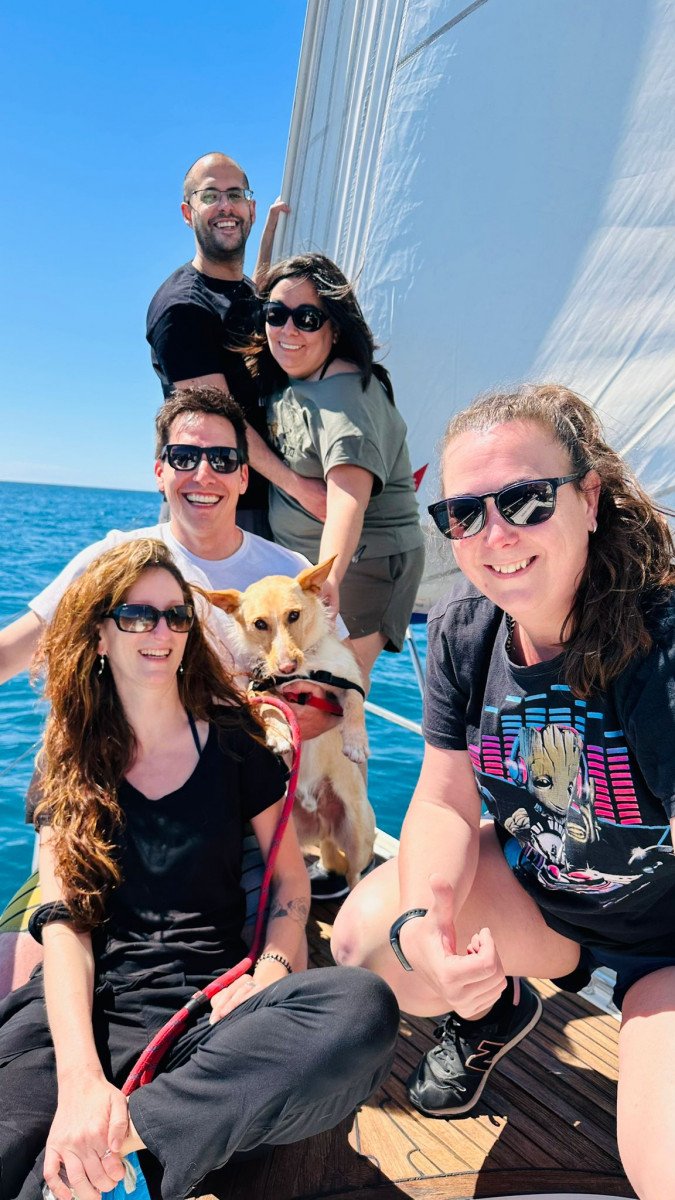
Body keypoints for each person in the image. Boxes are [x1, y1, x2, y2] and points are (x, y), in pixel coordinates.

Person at [330, 383, 675, 1200]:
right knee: (370, 943)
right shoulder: (466, 628)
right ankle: (492, 1007)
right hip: (545, 903)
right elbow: (443, 800)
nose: (495, 535)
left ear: (588, 498)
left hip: (662, 944)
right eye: (464, 513)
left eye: (524, 500)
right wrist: (426, 922)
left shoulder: (657, 644)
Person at [0, 539, 399, 1200]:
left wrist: (271, 971)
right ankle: (147, 1157)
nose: (160, 631)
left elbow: (288, 883)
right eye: (136, 615)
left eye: (176, 615)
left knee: (361, 1009)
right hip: (86, 1008)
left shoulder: (237, 743)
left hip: (212, 1010)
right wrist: (80, 1082)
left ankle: (128, 1141)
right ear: (99, 635)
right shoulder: (68, 760)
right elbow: (63, 923)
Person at [0, 387, 344, 985]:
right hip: (106, 806)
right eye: (184, 457)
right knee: (28, 978)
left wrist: (282, 721)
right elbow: (17, 648)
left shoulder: (290, 573)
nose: (203, 474)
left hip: (237, 817)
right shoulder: (114, 560)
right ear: (159, 471)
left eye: (223, 460)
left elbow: (337, 695)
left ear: (244, 477)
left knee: (256, 978)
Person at [249, 252, 425, 680]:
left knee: (328, 692)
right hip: (308, 569)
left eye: (307, 319)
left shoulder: (344, 396)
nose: (288, 329)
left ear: (334, 327)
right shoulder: (297, 378)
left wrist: (327, 583)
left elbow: (347, 501)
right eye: (276, 315)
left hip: (363, 565)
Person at [146, 152, 325, 536]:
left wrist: (271, 240)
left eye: (235, 195)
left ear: (251, 209)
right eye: (210, 196)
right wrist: (300, 489)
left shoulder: (243, 290)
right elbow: (223, 419)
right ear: (188, 213)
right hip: (215, 505)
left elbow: (250, 306)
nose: (225, 206)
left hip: (268, 501)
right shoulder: (181, 308)